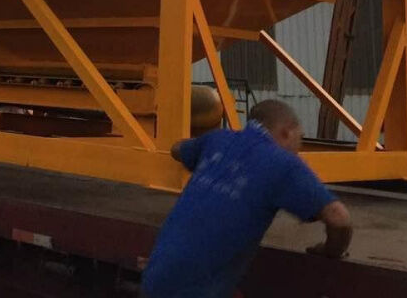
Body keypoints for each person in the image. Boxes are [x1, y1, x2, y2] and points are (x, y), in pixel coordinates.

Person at [142, 100, 352, 298]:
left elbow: (177, 149)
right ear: (286, 132)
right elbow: (338, 217)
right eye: (300, 139)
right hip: (198, 290)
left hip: (155, 278)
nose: (298, 149)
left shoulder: (217, 139)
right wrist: (330, 251)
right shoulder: (284, 165)